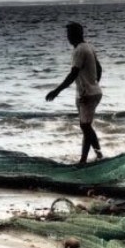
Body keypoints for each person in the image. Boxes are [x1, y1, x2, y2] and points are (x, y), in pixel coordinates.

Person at [46, 21, 103, 164]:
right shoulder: (89, 46)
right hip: (91, 92)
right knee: (86, 126)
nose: (68, 37)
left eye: (69, 34)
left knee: (85, 126)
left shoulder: (79, 50)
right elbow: (99, 69)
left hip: (87, 94)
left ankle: (91, 158)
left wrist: (56, 91)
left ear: (75, 35)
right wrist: (94, 84)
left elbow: (73, 74)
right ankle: (92, 157)